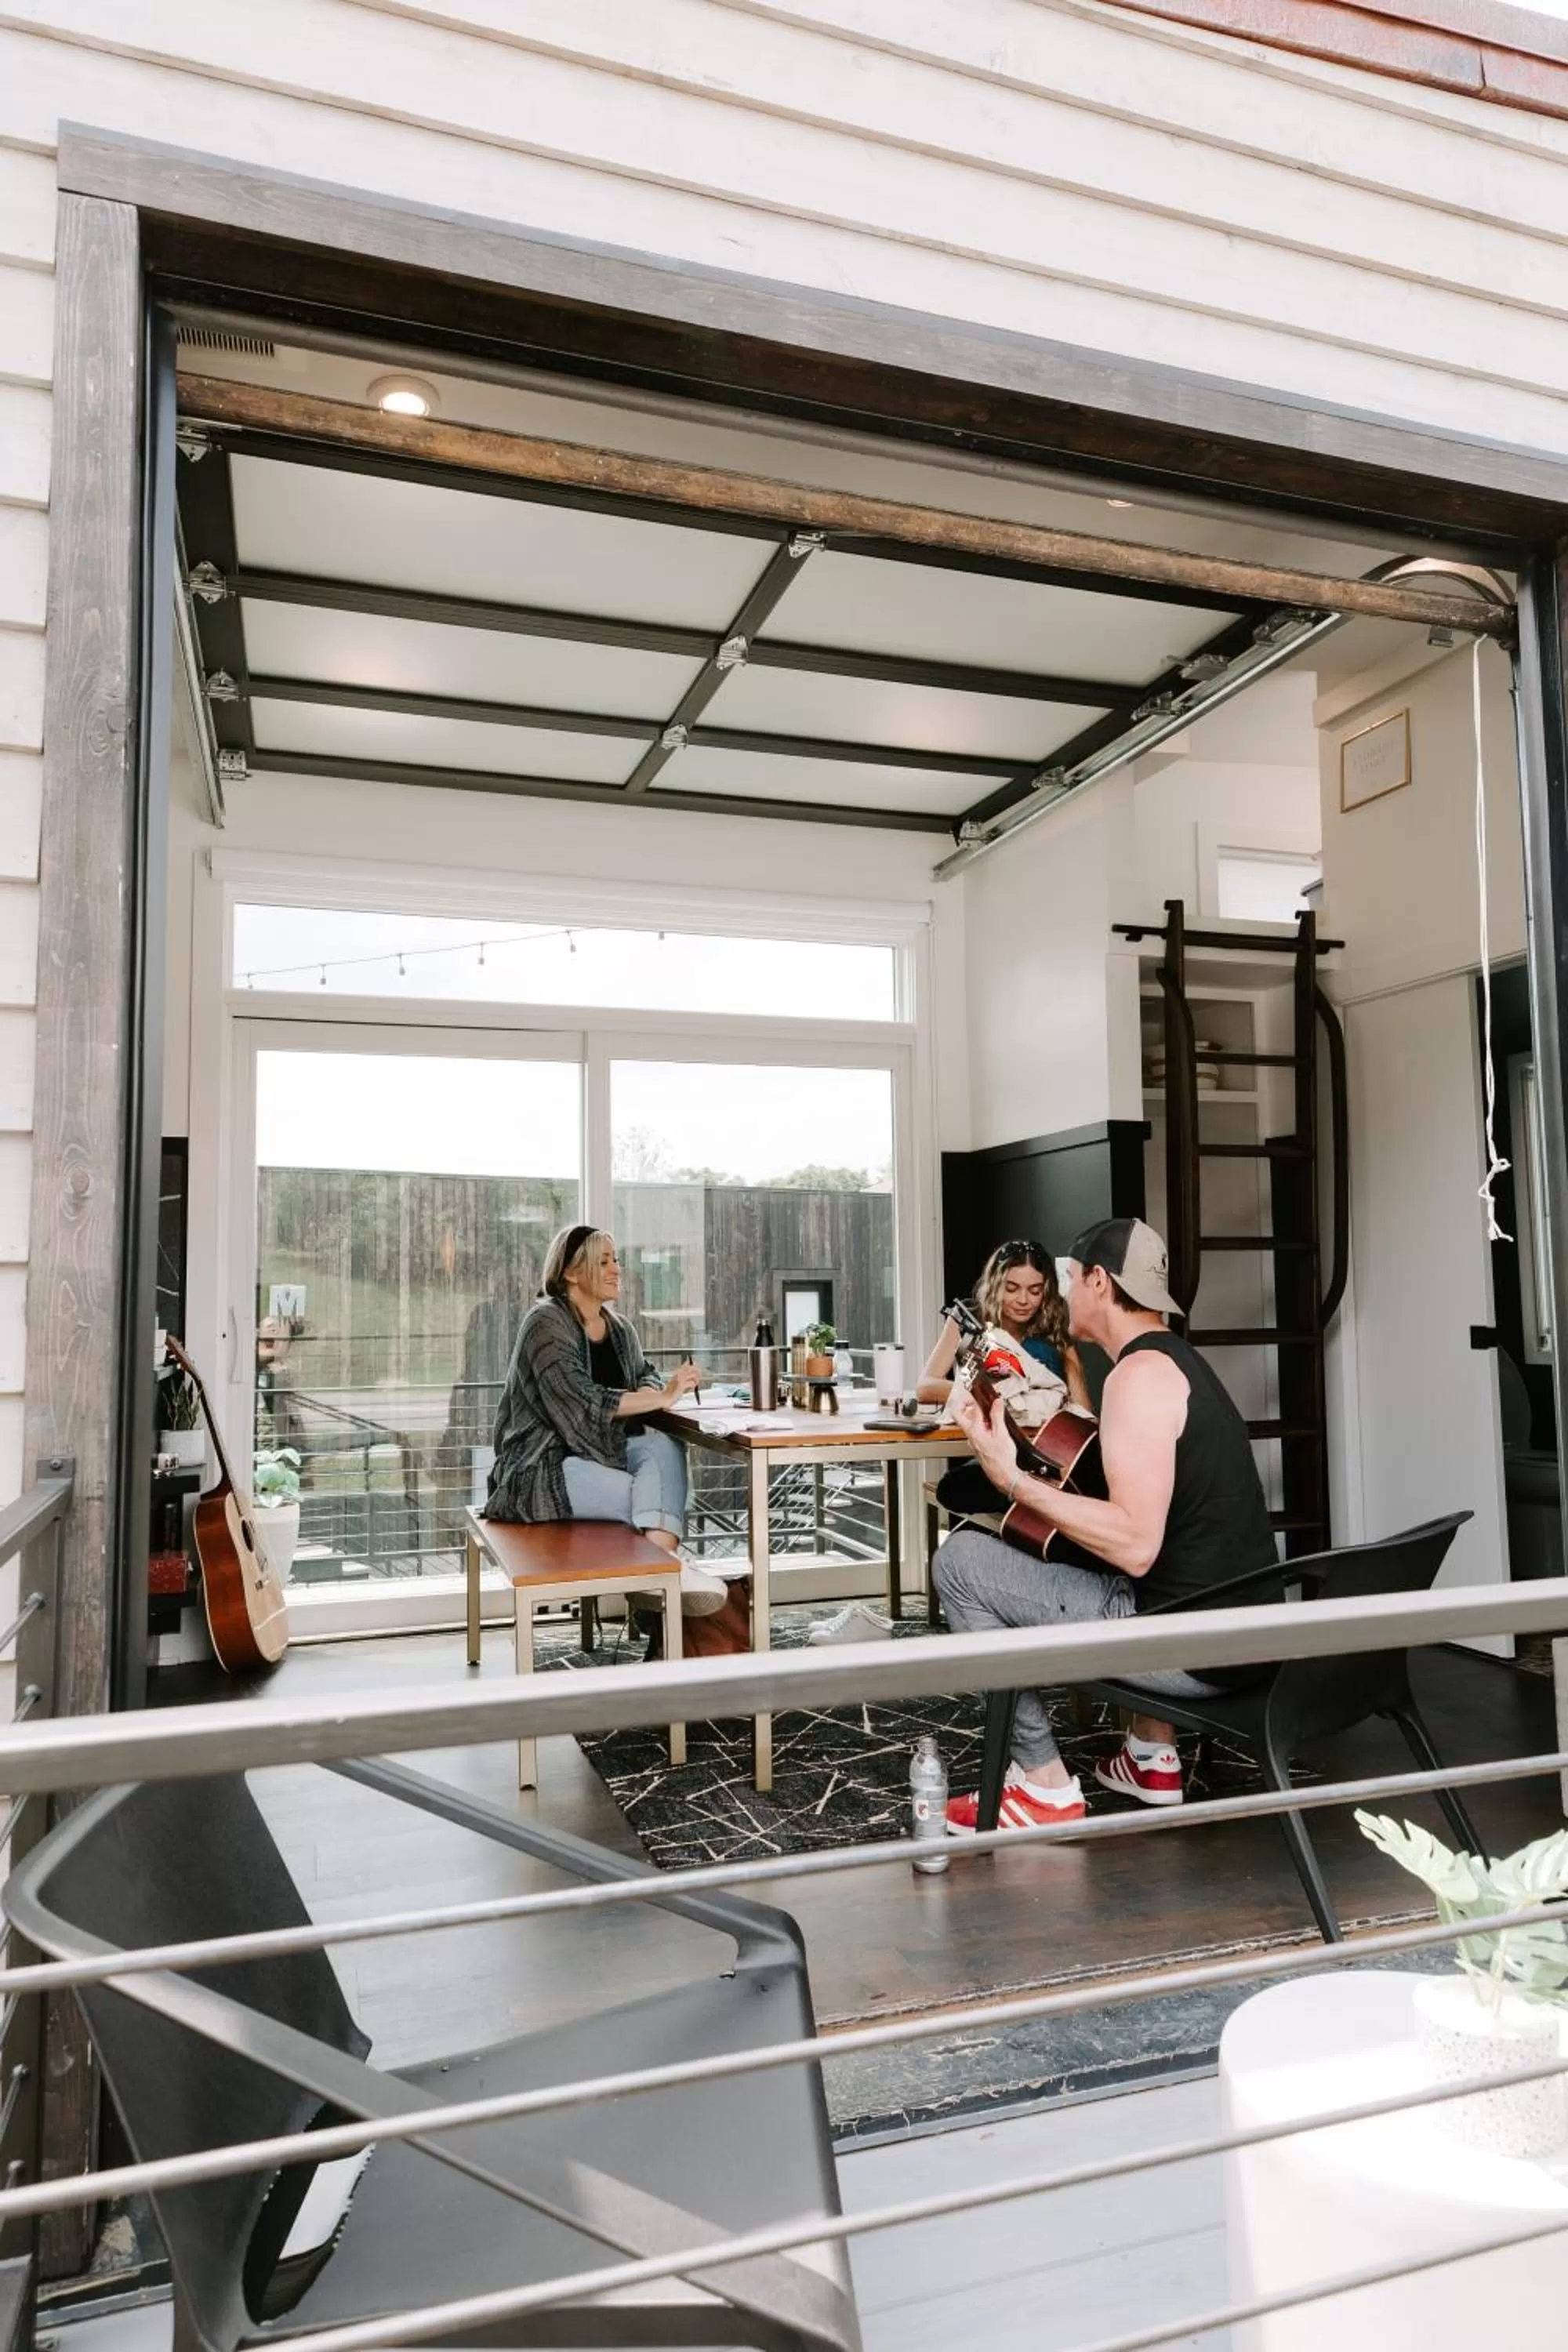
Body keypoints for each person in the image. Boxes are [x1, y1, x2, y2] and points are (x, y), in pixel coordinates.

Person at [935, 1216, 1280, 1833]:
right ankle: (1151, 1756)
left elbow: (1135, 1545)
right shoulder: (1177, 1363)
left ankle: (1041, 1786)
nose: (1060, 1296)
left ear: (1098, 1280)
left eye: (1067, 1279)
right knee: (1072, 1548)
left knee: (959, 1563)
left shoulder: (1138, 1378)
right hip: (1240, 1632)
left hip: (1193, 1649)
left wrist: (1011, 1478)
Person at [486, 1223, 728, 1617]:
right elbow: (581, 1401)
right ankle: (666, 1573)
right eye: (604, 1261)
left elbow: (643, 1374)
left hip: (606, 1453)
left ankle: (658, 1576)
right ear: (571, 1272)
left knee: (664, 1444)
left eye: (616, 1260)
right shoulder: (544, 1324)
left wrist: (659, 1388)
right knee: (661, 1497)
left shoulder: (619, 1328)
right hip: (541, 1468)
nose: (617, 1269)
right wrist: (664, 1395)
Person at [920, 1240, 1091, 1519]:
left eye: (1035, 1291)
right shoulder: (970, 1318)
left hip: (1044, 1449)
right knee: (959, 1487)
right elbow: (925, 1387)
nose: (1024, 1300)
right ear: (995, 1284)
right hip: (996, 1442)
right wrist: (995, 1395)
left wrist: (1066, 1368)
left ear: (1046, 1290)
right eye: (1012, 1289)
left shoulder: (1054, 1326)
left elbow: (1082, 1411)